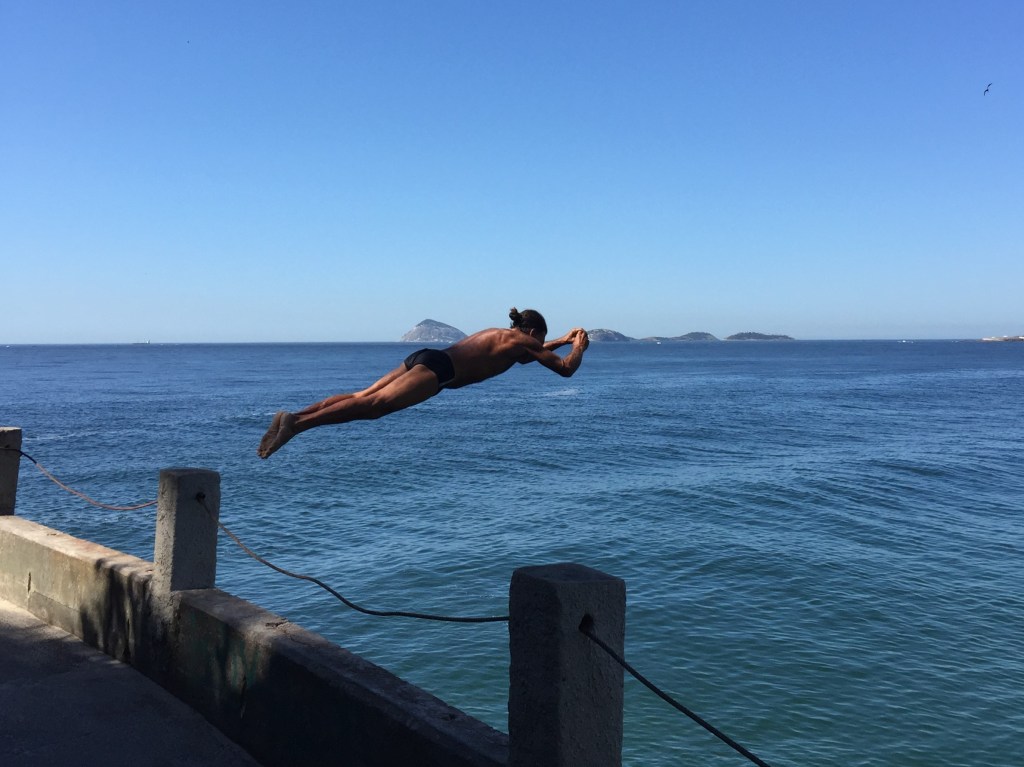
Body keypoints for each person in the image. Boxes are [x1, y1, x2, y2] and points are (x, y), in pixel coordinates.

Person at [257, 308, 590, 458]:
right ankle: (298, 426)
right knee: (374, 407)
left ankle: (295, 416)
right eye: (540, 340)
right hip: (440, 371)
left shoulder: (502, 337)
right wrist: (578, 347)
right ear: (531, 333)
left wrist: (562, 339)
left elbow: (529, 356)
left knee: (363, 395)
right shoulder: (521, 341)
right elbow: (565, 370)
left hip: (427, 357)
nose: (537, 346)